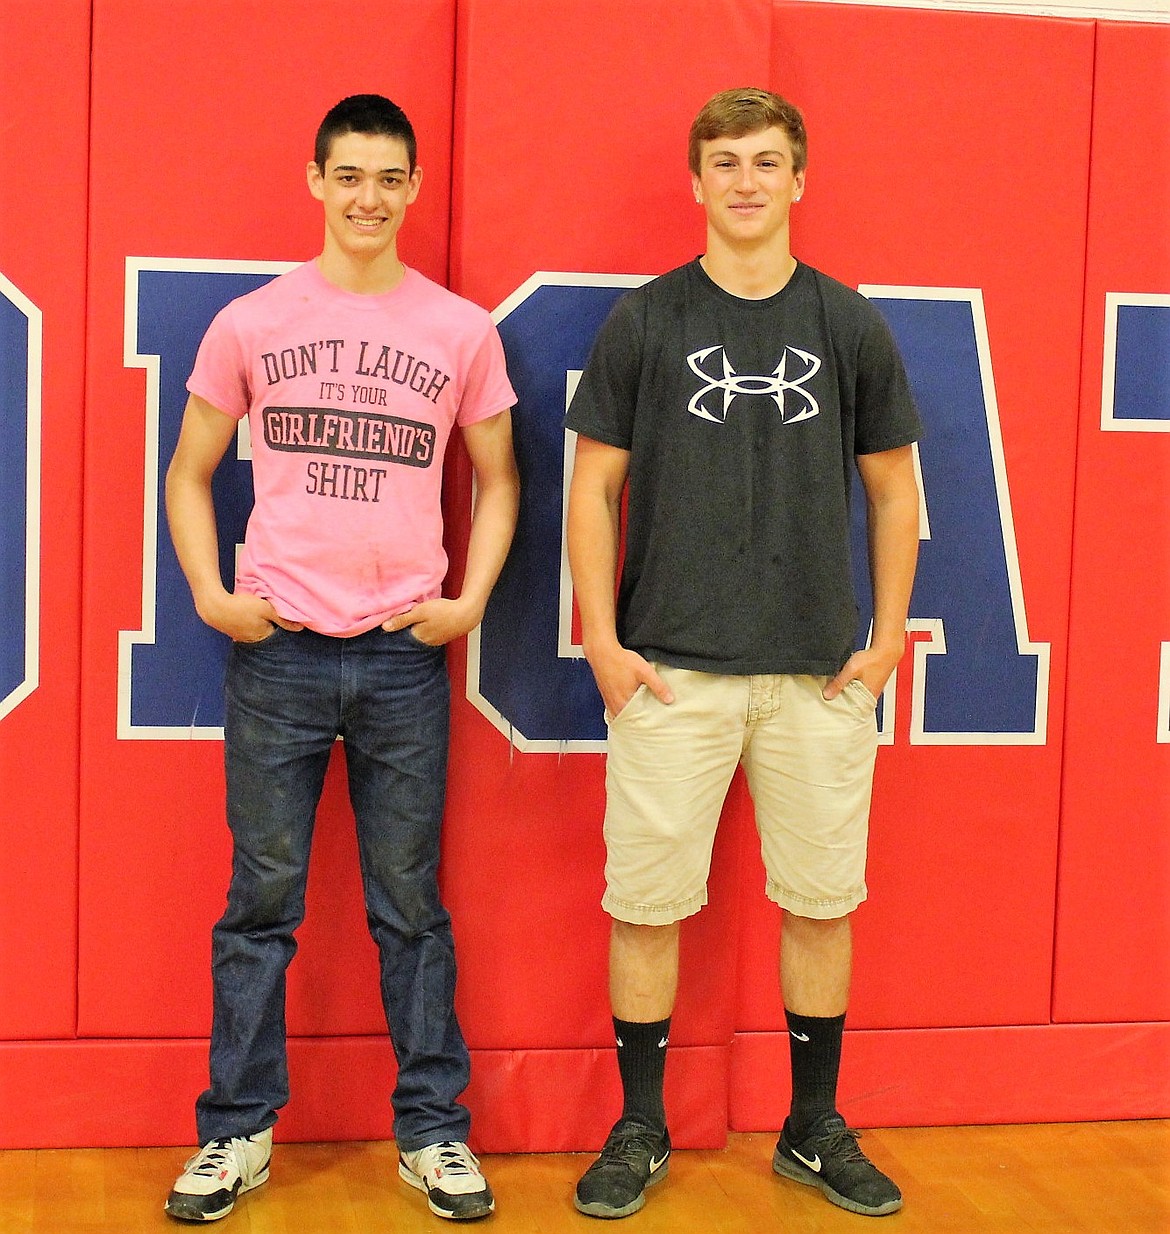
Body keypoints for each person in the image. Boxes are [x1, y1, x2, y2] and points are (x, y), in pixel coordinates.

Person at [565, 87, 922, 1220]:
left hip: (817, 674)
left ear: (800, 178)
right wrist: (605, 644)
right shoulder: (646, 321)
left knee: (822, 901)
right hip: (672, 667)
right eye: (726, 162)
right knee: (645, 903)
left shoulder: (849, 324)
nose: (748, 181)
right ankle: (641, 1124)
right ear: (698, 181)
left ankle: (812, 1127)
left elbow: (893, 486)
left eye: (768, 161)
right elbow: (592, 488)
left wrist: (885, 638)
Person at [163, 94, 518, 1224]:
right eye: (348, 175)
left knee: (409, 904)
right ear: (314, 179)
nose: (368, 197)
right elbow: (187, 471)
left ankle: (434, 1132)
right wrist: (212, 593)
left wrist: (468, 604)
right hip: (280, 656)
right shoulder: (251, 322)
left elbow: (501, 480)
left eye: (389, 178)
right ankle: (235, 1131)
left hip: (404, 658)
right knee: (259, 903)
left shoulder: (460, 330)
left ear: (413, 189)